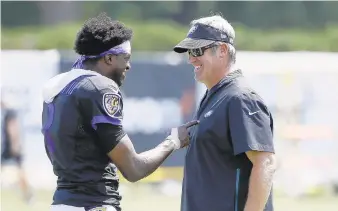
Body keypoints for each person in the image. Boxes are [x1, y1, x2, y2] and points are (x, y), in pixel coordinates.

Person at [41, 13, 198, 211]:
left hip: (62, 203)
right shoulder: (100, 87)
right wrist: (173, 141)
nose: (129, 65)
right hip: (92, 204)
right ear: (108, 58)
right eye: (126, 58)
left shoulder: (60, 85)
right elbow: (134, 169)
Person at [173, 14, 277, 211]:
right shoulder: (215, 95)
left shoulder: (240, 98)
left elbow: (265, 162)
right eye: (189, 52)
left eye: (197, 50)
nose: (191, 59)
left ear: (221, 50)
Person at [1, 100, 32, 203]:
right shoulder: (7, 112)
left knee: (20, 173)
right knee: (20, 173)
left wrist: (15, 146)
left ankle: (28, 196)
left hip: (10, 148)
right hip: (8, 147)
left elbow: (13, 130)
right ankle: (28, 196)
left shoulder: (9, 112)